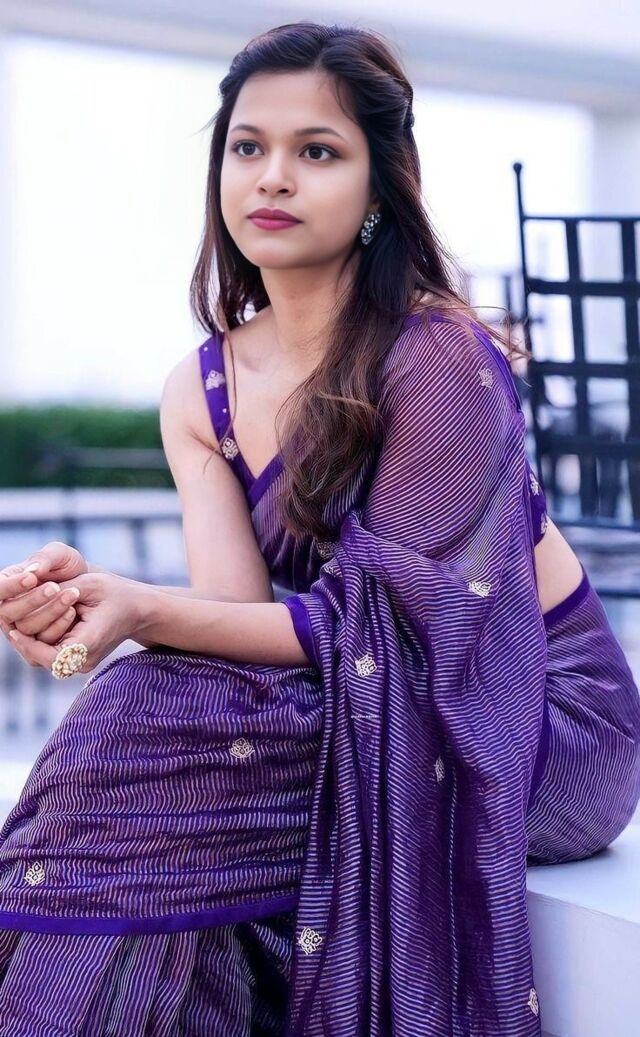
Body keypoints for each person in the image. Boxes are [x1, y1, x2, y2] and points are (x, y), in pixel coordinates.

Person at [0, 20, 639, 1037]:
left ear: (381, 185)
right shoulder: (201, 388)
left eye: (318, 151)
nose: (273, 177)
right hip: (350, 691)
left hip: (529, 717)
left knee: (131, 716)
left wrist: (140, 610)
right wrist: (89, 604)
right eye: (248, 147)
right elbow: (241, 627)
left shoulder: (438, 357)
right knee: (143, 716)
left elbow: (384, 625)